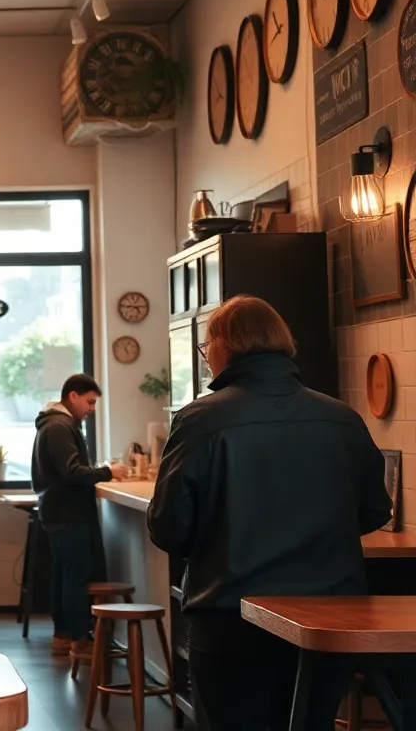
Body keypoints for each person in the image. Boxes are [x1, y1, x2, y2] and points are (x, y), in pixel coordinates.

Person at [148, 295, 392, 731]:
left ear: (224, 345)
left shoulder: (200, 420)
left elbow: (169, 528)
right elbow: (375, 510)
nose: (206, 362)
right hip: (327, 621)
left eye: (206, 349)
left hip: (231, 621)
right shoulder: (341, 418)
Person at [30, 373, 128, 657]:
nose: (91, 409)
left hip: (57, 511)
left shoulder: (52, 423)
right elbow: (71, 472)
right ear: (72, 396)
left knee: (63, 575)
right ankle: (80, 642)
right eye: (89, 402)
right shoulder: (60, 426)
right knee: (76, 577)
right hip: (68, 512)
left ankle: (63, 636)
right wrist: (108, 472)